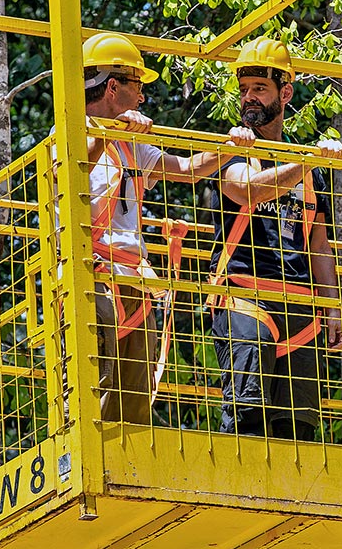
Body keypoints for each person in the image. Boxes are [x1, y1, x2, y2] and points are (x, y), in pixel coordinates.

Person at [72, 32, 254, 425]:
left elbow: (187, 170)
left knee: (133, 397)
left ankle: (126, 474)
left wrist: (230, 146)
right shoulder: (68, 133)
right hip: (90, 278)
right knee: (95, 391)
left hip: (132, 281)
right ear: (113, 86)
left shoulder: (130, 144)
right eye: (136, 86)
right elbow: (76, 168)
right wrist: (109, 132)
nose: (141, 98)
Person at [208, 36, 342, 440]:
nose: (249, 98)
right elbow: (247, 190)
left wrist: (332, 309)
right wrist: (305, 160)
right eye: (245, 90)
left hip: (300, 304)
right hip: (245, 294)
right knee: (247, 411)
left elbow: (318, 245)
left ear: (285, 93)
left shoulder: (312, 173)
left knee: (299, 426)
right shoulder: (232, 151)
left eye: (260, 89)